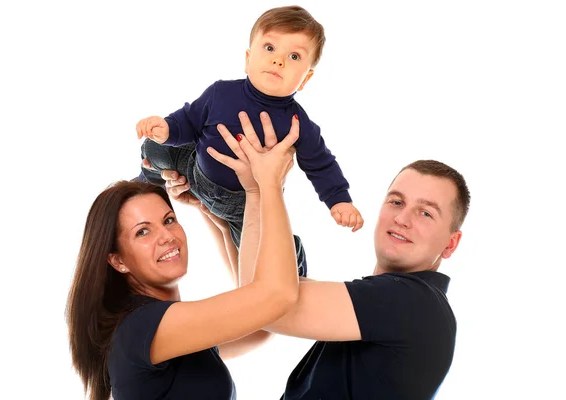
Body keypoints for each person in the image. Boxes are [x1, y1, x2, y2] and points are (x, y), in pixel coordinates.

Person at [163, 119, 471, 399]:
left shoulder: (412, 303)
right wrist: (215, 210)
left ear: (450, 244)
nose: (403, 218)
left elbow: (265, 304)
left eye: (426, 212)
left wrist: (264, 187)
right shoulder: (391, 302)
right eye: (396, 201)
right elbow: (257, 298)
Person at [65, 115, 301, 399]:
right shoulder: (144, 328)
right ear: (118, 261)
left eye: (168, 220)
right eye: (142, 232)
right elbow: (275, 297)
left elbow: (261, 327)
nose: (166, 236)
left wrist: (214, 212)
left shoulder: (168, 331)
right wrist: (267, 185)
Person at [135, 5, 364, 278]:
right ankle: (142, 184)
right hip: (195, 171)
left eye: (293, 56)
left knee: (261, 260)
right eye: (269, 48)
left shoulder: (297, 124)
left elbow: (321, 164)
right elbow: (189, 120)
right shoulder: (220, 92)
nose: (278, 60)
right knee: (153, 148)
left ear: (306, 78)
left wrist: (339, 200)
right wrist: (166, 128)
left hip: (242, 206)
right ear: (247, 58)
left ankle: (295, 260)